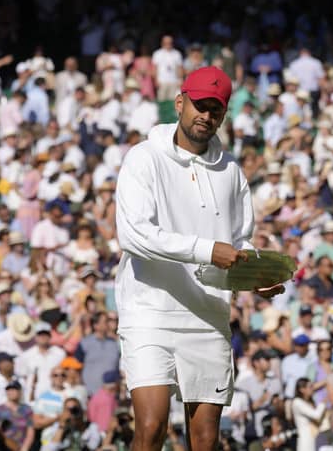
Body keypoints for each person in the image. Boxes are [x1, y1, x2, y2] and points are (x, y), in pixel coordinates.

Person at [114, 66, 284, 450]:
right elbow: (134, 235)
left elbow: (240, 243)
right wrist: (208, 250)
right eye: (199, 105)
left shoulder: (232, 173)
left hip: (209, 316)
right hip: (150, 312)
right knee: (152, 425)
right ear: (180, 102)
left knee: (206, 440)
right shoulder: (143, 159)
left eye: (215, 109)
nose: (206, 116)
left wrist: (256, 273)